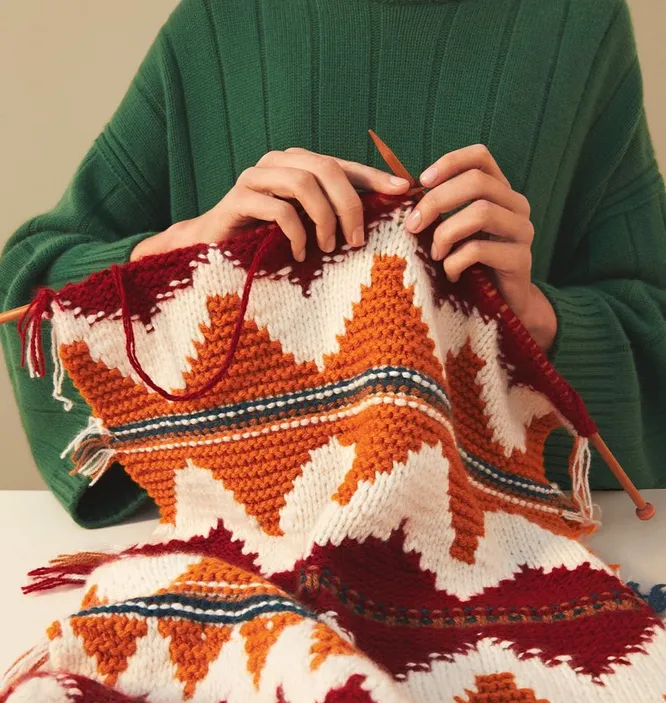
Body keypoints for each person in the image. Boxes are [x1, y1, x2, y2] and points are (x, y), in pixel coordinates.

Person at [1, 0, 665, 528]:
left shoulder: (577, 23)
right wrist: (189, 247)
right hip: (245, 552)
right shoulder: (223, 20)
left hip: (499, 550)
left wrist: (533, 319)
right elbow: (28, 291)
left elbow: (652, 326)